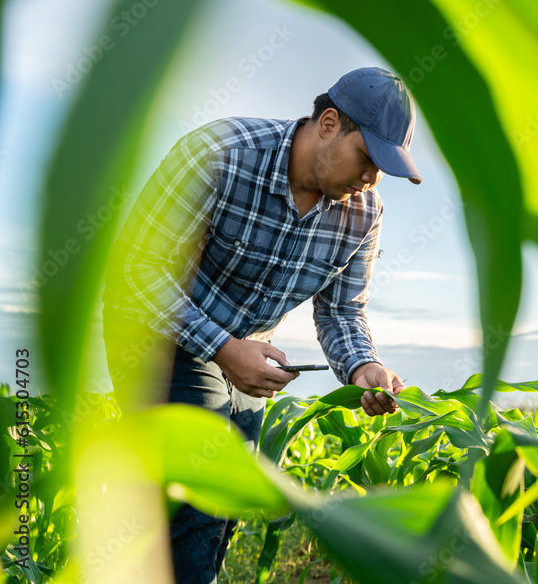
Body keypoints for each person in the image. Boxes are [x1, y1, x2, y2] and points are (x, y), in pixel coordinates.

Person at [101, 66, 419, 583]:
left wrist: (364, 366)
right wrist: (224, 348)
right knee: (199, 489)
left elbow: (342, 311)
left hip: (246, 353)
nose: (371, 178)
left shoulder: (364, 213)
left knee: (224, 506)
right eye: (367, 158)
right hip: (155, 331)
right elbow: (136, 269)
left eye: (385, 169)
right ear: (329, 124)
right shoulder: (219, 154)